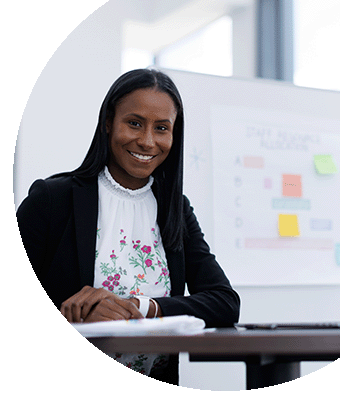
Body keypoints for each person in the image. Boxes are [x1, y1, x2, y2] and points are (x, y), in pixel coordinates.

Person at [16, 68, 240, 384]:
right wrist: (72, 316)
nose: (147, 141)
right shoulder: (53, 199)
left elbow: (224, 303)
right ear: (108, 122)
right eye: (134, 123)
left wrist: (142, 306)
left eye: (161, 128)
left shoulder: (174, 209)